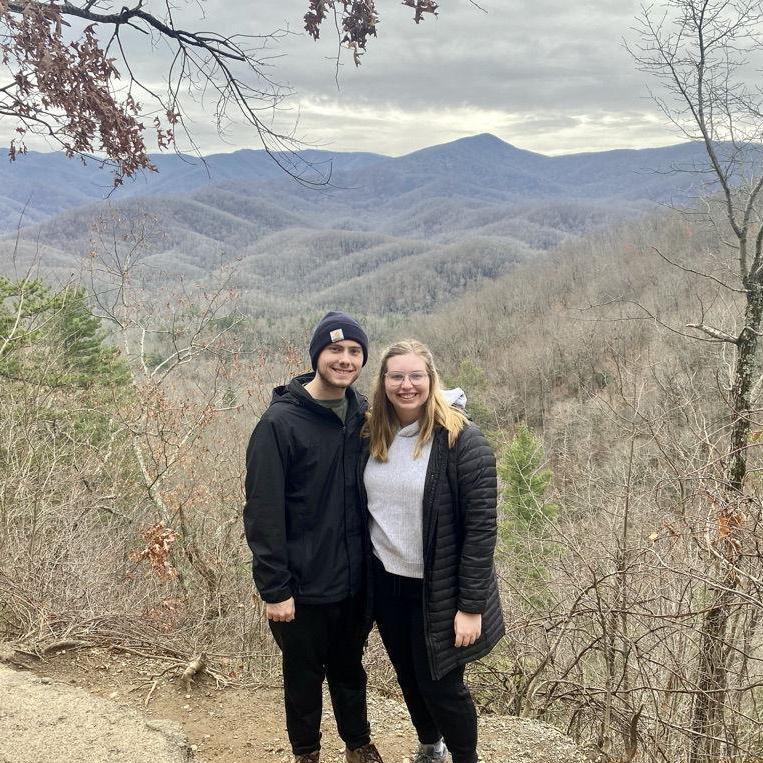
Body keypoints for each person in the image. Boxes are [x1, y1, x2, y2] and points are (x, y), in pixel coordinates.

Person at [244, 311, 384, 763]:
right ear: (317, 355)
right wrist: (275, 588)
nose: (345, 359)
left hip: (353, 581)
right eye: (335, 350)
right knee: (303, 675)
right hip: (300, 587)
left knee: (350, 670)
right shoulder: (279, 424)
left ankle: (358, 744)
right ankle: (306, 752)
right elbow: (263, 513)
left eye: (354, 352)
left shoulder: (363, 414)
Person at [362, 339, 504, 763]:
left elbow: (481, 530)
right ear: (384, 382)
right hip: (388, 584)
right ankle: (430, 746)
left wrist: (471, 606)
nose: (407, 385)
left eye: (416, 376)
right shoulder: (372, 434)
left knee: (442, 683)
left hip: (439, 589)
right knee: (408, 675)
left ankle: (465, 758)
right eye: (397, 376)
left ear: (431, 379)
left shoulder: (461, 441)